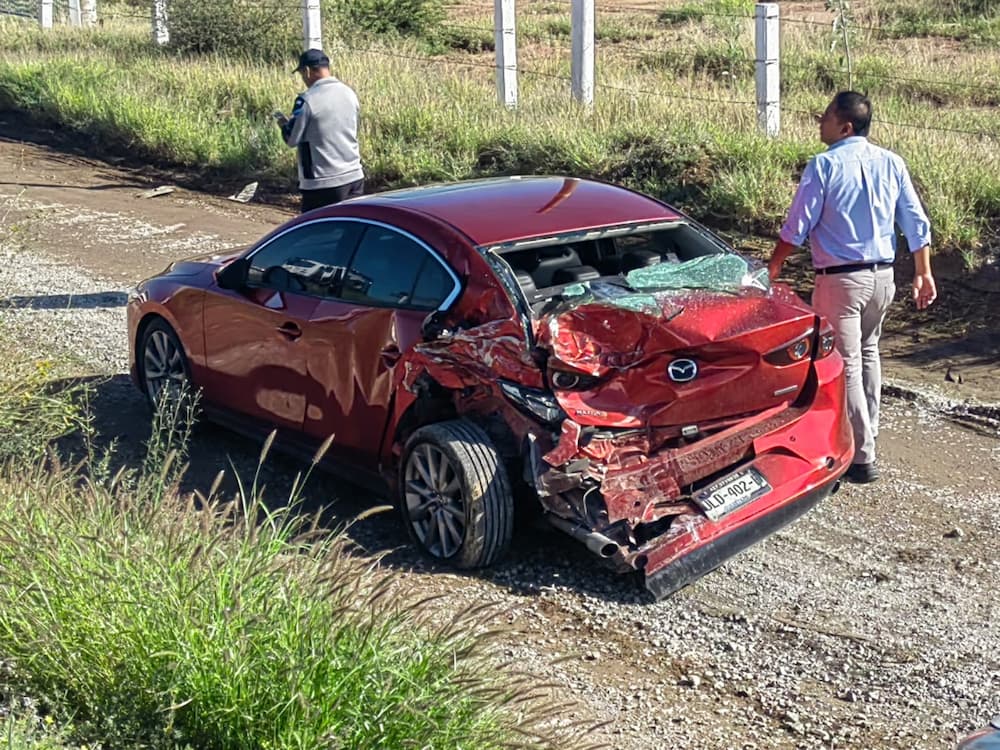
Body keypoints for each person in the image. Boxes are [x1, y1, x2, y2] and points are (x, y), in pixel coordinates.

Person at [768, 91, 937, 485]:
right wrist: (923, 271)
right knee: (869, 352)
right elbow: (915, 221)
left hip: (841, 279)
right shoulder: (892, 162)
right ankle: (869, 431)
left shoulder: (823, 166)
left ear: (844, 126)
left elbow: (798, 225)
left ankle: (861, 456)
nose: (819, 121)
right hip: (883, 278)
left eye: (825, 116)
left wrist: (775, 263)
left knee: (846, 365)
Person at [275, 49, 364, 213]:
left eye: (302, 74)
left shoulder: (306, 100)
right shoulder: (349, 93)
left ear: (307, 71)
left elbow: (291, 139)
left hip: (323, 181)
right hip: (354, 176)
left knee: (315, 234)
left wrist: (282, 123)